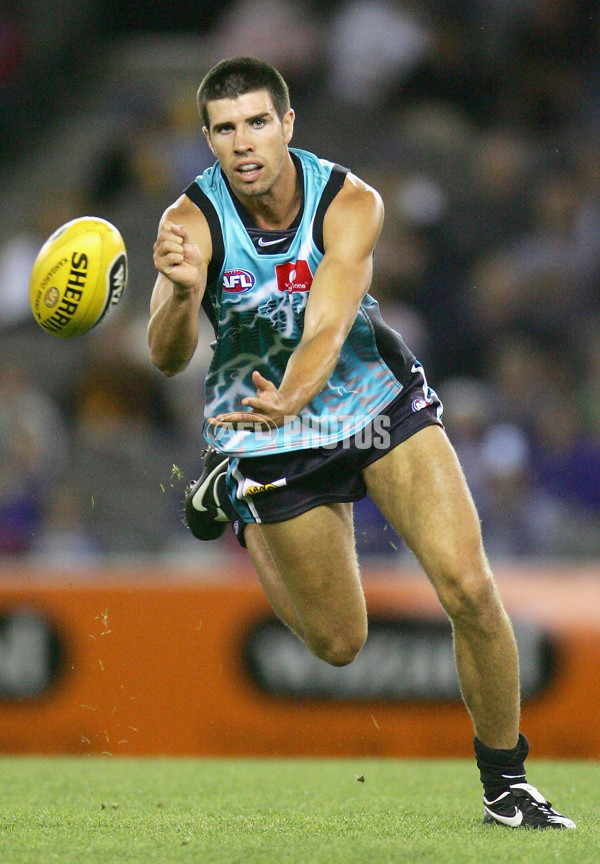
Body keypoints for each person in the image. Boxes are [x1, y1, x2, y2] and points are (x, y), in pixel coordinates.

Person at [148, 57, 575, 830]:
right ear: (208, 140)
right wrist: (180, 295)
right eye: (224, 129)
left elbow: (332, 318)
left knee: (471, 588)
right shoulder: (188, 222)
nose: (243, 143)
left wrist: (295, 394)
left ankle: (507, 786)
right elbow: (170, 355)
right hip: (268, 435)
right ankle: (239, 503)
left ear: (286, 125)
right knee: (340, 644)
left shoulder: (349, 201)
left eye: (256, 122)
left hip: (378, 407)